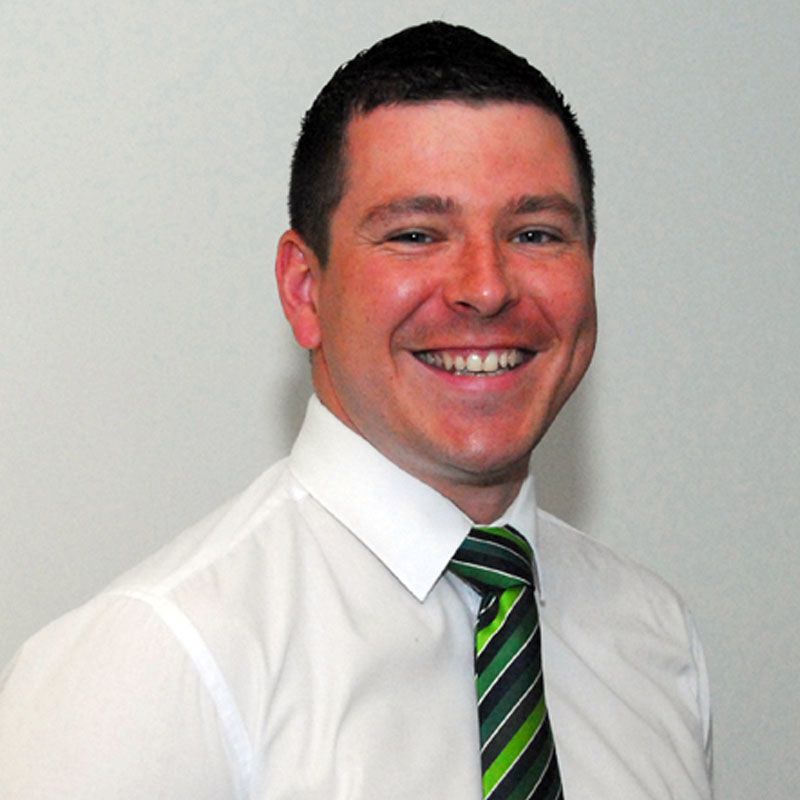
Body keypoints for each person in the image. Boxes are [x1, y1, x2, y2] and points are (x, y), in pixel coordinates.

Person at [0, 21, 712, 799]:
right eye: (416, 234)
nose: (486, 287)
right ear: (305, 290)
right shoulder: (159, 662)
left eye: (536, 233)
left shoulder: (654, 639)